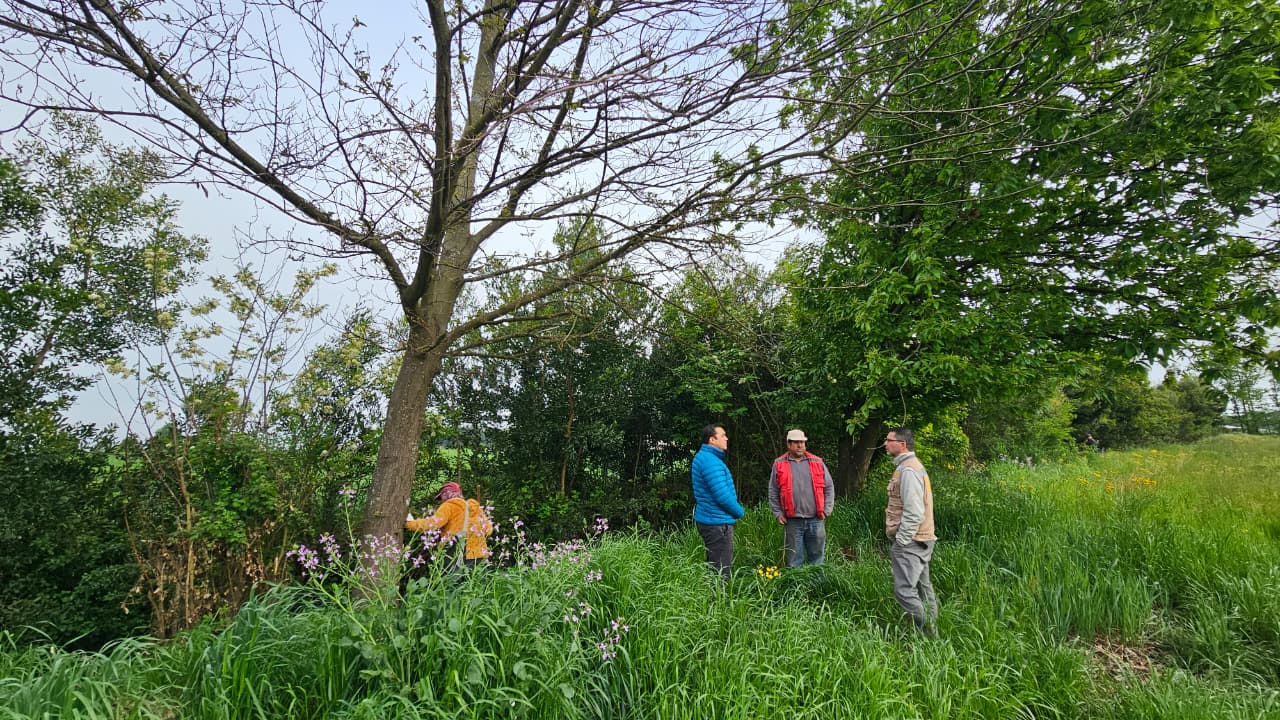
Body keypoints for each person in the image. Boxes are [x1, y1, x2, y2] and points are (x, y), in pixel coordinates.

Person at [883, 426, 939, 635]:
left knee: (904, 590)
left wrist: (902, 541)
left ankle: (929, 633)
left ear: (902, 444)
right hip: (922, 537)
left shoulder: (908, 470)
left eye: (889, 440)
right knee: (924, 587)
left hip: (913, 540)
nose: (885, 444)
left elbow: (914, 511)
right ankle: (930, 632)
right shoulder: (911, 466)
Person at [768, 428, 834, 567]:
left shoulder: (817, 462)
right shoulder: (779, 463)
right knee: (793, 559)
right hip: (792, 520)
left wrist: (827, 509)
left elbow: (829, 487)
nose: (800, 446)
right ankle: (795, 587)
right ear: (789, 444)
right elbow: (773, 490)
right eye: (796, 442)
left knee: (817, 558)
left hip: (816, 518)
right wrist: (778, 513)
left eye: (802, 442)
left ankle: (817, 587)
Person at [690, 424, 744, 578]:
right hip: (717, 523)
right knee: (721, 571)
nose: (726, 438)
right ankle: (720, 600)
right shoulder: (710, 461)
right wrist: (739, 512)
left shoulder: (706, 458)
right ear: (712, 440)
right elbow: (722, 495)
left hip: (712, 520)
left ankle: (713, 598)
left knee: (715, 566)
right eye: (723, 435)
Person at [405, 482, 493, 568]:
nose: (441, 501)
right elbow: (488, 531)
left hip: (456, 554)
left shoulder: (449, 506)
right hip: (479, 555)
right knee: (474, 582)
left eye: (441, 497)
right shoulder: (475, 509)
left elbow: (432, 524)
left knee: (451, 581)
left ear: (446, 494)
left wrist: (410, 523)